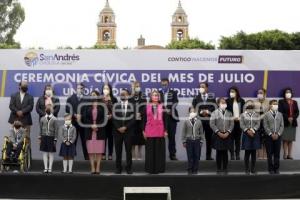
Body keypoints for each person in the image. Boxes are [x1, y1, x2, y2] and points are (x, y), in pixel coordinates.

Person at [143, 90, 168, 174]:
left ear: (159, 97)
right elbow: (143, 120)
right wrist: (143, 131)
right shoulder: (146, 107)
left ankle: (159, 168)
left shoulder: (162, 106)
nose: (155, 97)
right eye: (154, 95)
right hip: (149, 131)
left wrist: (165, 130)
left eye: (157, 95)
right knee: (150, 152)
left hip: (160, 131)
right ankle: (150, 169)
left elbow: (166, 120)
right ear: (151, 97)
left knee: (159, 151)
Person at [112, 89, 135, 174]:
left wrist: (125, 127)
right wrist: (119, 128)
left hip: (128, 132)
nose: (123, 95)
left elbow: (133, 119)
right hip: (117, 132)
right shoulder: (115, 105)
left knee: (128, 151)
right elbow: (114, 119)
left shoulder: (132, 105)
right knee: (118, 151)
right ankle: (118, 168)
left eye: (125, 94)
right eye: (121, 94)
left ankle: (128, 168)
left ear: (128, 95)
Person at [192, 82, 217, 160]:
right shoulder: (196, 98)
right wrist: (201, 112)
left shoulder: (212, 97)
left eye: (203, 87)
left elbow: (214, 107)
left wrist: (208, 112)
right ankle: (197, 156)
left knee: (209, 139)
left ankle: (208, 156)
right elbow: (194, 108)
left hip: (209, 121)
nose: (201, 88)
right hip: (200, 121)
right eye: (200, 87)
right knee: (198, 139)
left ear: (207, 88)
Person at [84, 91, 106, 174]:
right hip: (90, 131)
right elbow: (85, 118)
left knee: (99, 150)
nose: (92, 96)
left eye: (94, 95)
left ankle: (98, 167)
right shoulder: (86, 106)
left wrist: (97, 126)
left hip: (100, 130)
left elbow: (104, 118)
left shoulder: (102, 106)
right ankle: (92, 167)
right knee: (91, 150)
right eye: (91, 95)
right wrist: (91, 125)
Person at [210, 97, 234, 175]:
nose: (224, 104)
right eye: (222, 102)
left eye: (225, 103)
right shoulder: (214, 113)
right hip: (218, 135)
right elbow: (212, 124)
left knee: (225, 152)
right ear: (218, 104)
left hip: (227, 134)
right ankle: (219, 168)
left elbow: (232, 124)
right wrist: (218, 133)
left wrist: (228, 132)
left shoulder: (229, 113)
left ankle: (225, 168)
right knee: (219, 152)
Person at [66, 83, 89, 160]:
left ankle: (87, 157)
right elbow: (67, 109)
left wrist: (81, 115)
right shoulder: (70, 98)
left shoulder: (87, 98)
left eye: (82, 88)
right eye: (79, 88)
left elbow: (88, 110)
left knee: (85, 140)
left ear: (84, 89)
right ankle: (71, 157)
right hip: (74, 122)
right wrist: (75, 115)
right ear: (76, 89)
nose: (80, 89)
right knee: (73, 140)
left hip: (84, 123)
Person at [159, 78, 179, 160]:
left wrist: (170, 110)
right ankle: (160, 155)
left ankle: (172, 154)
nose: (164, 86)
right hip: (161, 118)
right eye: (163, 85)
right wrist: (164, 110)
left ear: (168, 84)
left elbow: (176, 102)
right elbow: (156, 104)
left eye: (165, 84)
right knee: (160, 137)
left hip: (171, 117)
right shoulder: (158, 93)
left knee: (172, 137)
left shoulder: (173, 92)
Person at [263, 100, 284, 174]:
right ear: (270, 105)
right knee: (269, 153)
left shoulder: (280, 114)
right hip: (269, 137)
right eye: (274, 104)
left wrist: (278, 134)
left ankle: (276, 168)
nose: (275, 105)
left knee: (277, 153)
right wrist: (270, 134)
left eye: (276, 104)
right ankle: (270, 169)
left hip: (278, 136)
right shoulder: (266, 114)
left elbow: (282, 126)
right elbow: (265, 125)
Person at [181, 107, 204, 174]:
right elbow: (183, 132)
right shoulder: (186, 121)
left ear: (196, 113)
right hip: (189, 141)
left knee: (196, 155)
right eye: (191, 112)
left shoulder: (199, 121)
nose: (192, 113)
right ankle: (190, 169)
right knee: (190, 155)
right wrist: (184, 141)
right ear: (189, 113)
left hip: (197, 141)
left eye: (194, 112)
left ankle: (195, 169)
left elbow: (201, 132)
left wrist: (201, 140)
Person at [240, 100, 261, 174]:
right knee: (247, 153)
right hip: (246, 134)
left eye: (251, 104)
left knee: (253, 153)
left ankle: (253, 169)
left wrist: (253, 130)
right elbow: (242, 124)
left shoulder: (257, 115)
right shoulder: (242, 115)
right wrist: (248, 131)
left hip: (254, 134)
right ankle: (246, 169)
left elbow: (258, 124)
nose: (250, 106)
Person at [279, 88, 299, 159]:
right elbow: (280, 111)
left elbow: (297, 112)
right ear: (284, 94)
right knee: (285, 139)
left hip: (293, 123)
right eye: (287, 92)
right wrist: (287, 118)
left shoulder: (294, 102)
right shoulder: (281, 102)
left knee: (290, 139)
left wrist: (292, 118)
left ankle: (289, 155)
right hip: (285, 122)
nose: (288, 93)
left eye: (289, 92)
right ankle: (285, 154)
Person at [226, 86, 245, 160]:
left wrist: (239, 118)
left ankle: (237, 154)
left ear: (236, 92)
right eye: (230, 92)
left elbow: (243, 112)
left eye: (233, 91)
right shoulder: (227, 101)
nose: (231, 93)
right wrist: (232, 118)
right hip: (230, 123)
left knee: (238, 140)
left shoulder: (241, 101)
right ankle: (232, 155)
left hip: (239, 123)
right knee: (230, 139)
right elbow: (226, 112)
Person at [39, 104, 59, 174]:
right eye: (47, 108)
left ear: (52, 110)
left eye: (50, 108)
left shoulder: (55, 119)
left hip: (51, 137)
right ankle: (45, 168)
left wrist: (55, 139)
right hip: (44, 137)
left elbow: (56, 130)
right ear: (45, 109)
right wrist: (40, 137)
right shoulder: (42, 118)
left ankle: (50, 168)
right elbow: (40, 129)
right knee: (44, 153)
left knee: (51, 153)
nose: (48, 109)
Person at [100, 83, 118, 160]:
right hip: (102, 121)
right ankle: (103, 154)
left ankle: (110, 154)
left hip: (112, 122)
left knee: (110, 138)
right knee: (103, 138)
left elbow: (116, 110)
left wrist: (112, 115)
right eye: (104, 88)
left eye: (107, 89)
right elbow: (98, 109)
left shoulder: (114, 99)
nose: (105, 90)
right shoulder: (100, 98)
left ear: (110, 90)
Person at [130, 81, 146, 160]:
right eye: (135, 86)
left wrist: (140, 113)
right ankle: (133, 155)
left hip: (140, 120)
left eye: (138, 86)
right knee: (132, 137)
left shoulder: (143, 95)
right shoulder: (130, 96)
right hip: (132, 120)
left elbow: (144, 106)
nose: (137, 88)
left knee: (140, 138)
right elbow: (128, 106)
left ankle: (139, 154)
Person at [254, 88, 269, 160]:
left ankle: (265, 155)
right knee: (258, 139)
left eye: (261, 93)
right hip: (257, 123)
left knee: (265, 139)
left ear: (264, 94)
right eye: (258, 93)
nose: (259, 94)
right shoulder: (254, 102)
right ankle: (259, 155)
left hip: (265, 123)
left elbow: (269, 113)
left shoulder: (268, 102)